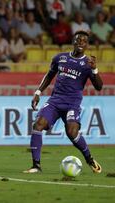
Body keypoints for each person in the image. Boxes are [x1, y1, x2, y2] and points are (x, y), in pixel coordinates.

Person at [23, 31, 103, 174]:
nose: (80, 42)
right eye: (78, 40)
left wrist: (95, 70)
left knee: (72, 132)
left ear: (87, 45)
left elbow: (99, 87)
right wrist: (37, 92)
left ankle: (89, 159)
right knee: (38, 125)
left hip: (72, 103)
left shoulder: (88, 64)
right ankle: (36, 165)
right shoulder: (60, 58)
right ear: (73, 41)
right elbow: (49, 76)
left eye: (84, 41)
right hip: (55, 101)